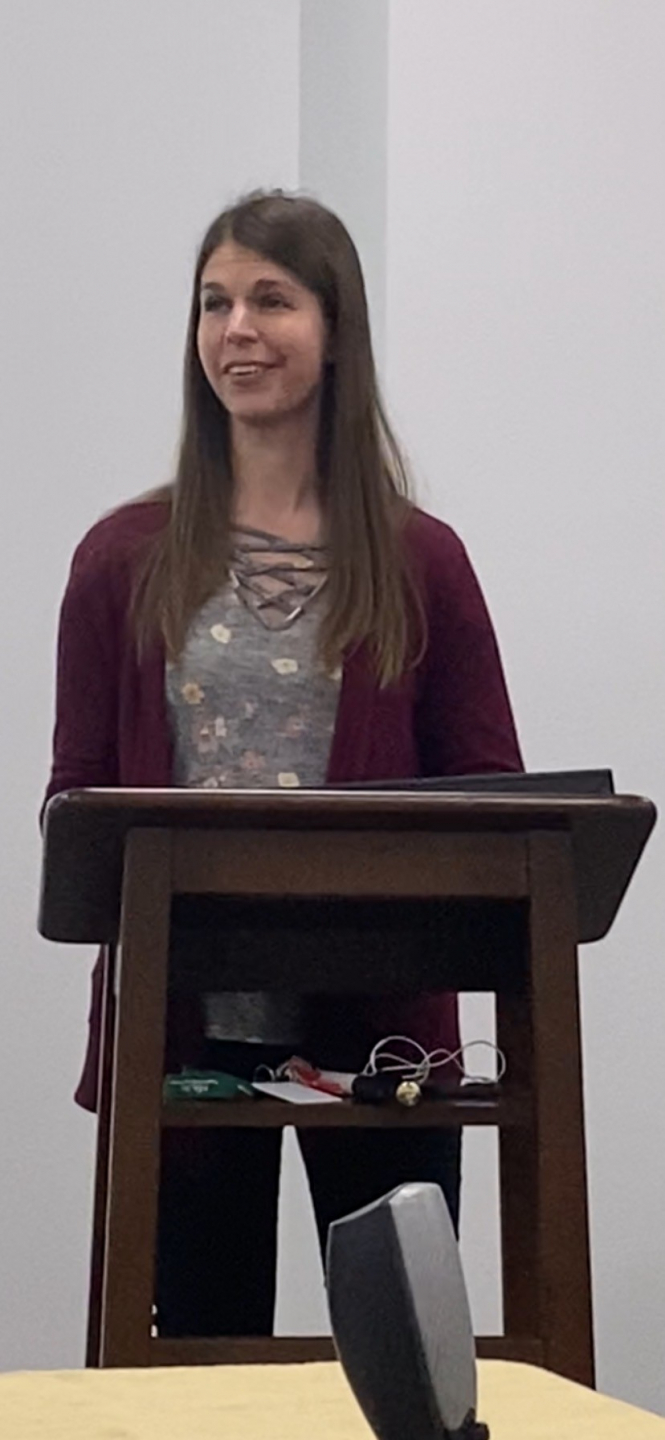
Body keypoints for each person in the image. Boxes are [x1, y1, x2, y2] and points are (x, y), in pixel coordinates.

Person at [44, 189, 523, 1338]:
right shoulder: (122, 560)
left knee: (408, 1356)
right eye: (213, 303)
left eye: (269, 299)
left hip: (382, 1040)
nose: (234, 330)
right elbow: (76, 793)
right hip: (186, 1030)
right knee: (203, 1364)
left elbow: (492, 798)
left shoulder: (420, 561)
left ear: (335, 329)